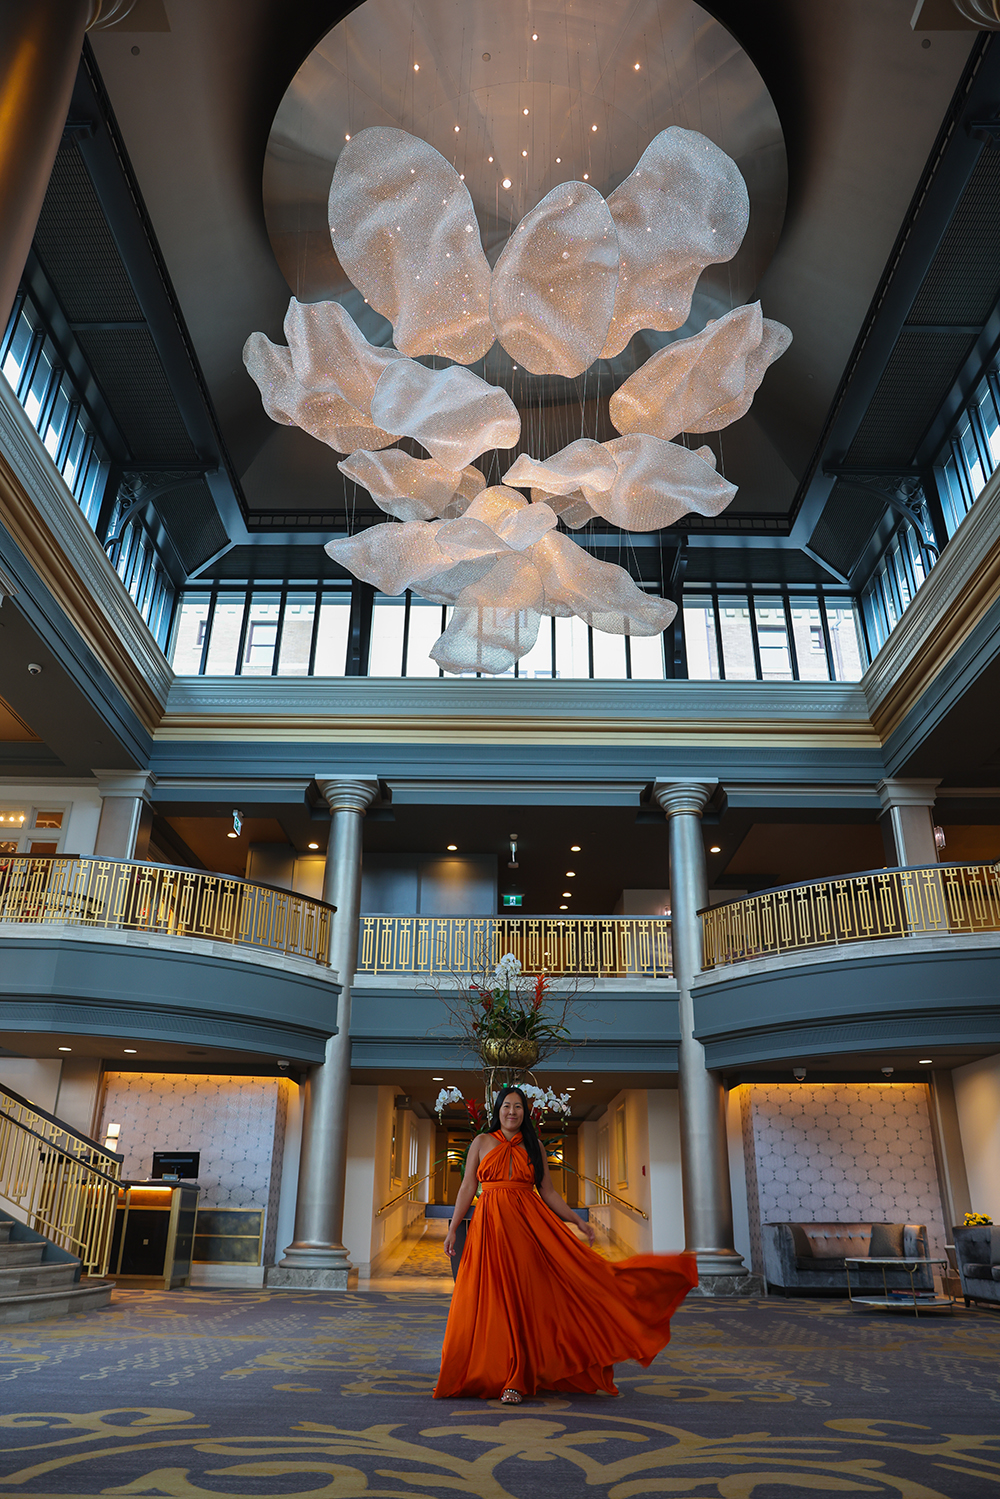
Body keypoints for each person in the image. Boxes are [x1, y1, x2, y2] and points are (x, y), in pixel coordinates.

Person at [433, 1085, 698, 1403]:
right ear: (498, 1110)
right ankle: (489, 1370)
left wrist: (577, 1220)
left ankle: (516, 1379)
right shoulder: (481, 1142)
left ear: (525, 1112)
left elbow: (548, 1192)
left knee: (522, 1299)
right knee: (490, 1297)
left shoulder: (535, 1146)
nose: (512, 1112)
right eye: (507, 1106)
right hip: (488, 1227)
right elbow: (467, 1186)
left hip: (525, 1228)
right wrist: (452, 1229)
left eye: (518, 1107)